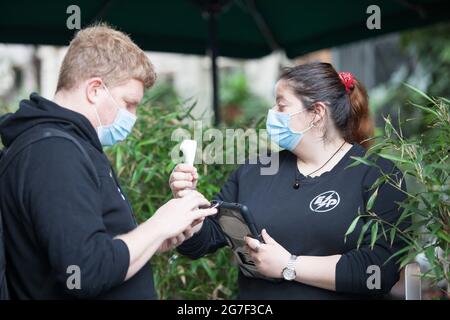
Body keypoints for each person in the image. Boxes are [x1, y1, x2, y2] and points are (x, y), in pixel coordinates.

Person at [0, 24, 216, 299]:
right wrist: (159, 224)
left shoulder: (69, 144)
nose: (133, 117)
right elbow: (82, 272)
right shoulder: (54, 152)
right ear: (95, 89)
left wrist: (153, 240)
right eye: (128, 103)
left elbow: (94, 249)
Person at [170, 62, 408, 299]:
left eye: (281, 105)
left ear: (316, 113)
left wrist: (289, 265)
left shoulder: (378, 175)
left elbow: (379, 271)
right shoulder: (256, 169)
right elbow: (204, 239)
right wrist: (187, 206)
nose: (271, 113)